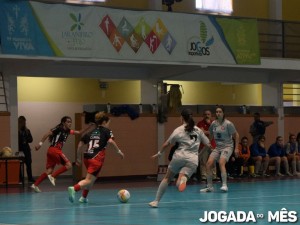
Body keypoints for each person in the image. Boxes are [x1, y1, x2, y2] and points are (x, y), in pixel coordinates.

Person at [149, 109, 212, 208]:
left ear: (181, 118)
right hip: (193, 159)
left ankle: (156, 201)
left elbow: (167, 143)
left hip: (180, 156)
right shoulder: (199, 130)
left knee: (167, 178)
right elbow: (208, 144)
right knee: (181, 179)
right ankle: (183, 179)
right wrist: (200, 154)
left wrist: (159, 153)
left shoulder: (179, 130)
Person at [68, 112, 124, 203]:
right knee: (88, 180)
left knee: (91, 179)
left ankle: (83, 198)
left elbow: (80, 145)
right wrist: (119, 152)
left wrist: (78, 158)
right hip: (96, 158)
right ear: (105, 122)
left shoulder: (90, 132)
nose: (109, 124)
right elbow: (110, 142)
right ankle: (74, 189)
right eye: (109, 122)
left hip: (87, 157)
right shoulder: (107, 131)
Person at [31, 116, 93, 193]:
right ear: (63, 123)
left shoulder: (68, 131)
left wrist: (89, 126)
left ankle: (35, 185)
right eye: (68, 122)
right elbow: (47, 134)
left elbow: (79, 132)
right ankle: (53, 176)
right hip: (54, 150)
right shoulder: (58, 128)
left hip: (51, 151)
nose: (70, 123)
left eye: (70, 122)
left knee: (49, 170)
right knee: (69, 165)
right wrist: (40, 144)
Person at [200, 106, 239, 193]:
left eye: (220, 112)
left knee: (221, 162)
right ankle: (209, 187)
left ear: (223, 113)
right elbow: (210, 134)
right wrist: (209, 143)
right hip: (218, 147)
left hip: (227, 147)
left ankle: (224, 185)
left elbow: (236, 135)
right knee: (208, 164)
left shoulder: (228, 124)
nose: (218, 113)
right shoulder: (214, 123)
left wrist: (236, 148)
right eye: (217, 112)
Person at [196, 110, 217, 181]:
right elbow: (200, 133)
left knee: (213, 161)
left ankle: (214, 176)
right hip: (203, 145)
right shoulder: (200, 123)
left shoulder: (214, 123)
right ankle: (204, 176)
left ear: (211, 115)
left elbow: (216, 132)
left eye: (208, 114)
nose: (207, 115)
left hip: (213, 145)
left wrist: (206, 131)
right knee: (203, 161)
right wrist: (208, 132)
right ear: (203, 115)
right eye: (205, 114)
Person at [18, 116, 35, 183]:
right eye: (22, 122)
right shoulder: (16, 131)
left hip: (27, 150)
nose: (24, 123)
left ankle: (30, 178)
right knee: (19, 165)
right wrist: (22, 140)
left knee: (28, 164)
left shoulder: (27, 131)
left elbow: (31, 139)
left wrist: (26, 140)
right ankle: (20, 178)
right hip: (19, 150)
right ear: (19, 122)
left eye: (25, 122)